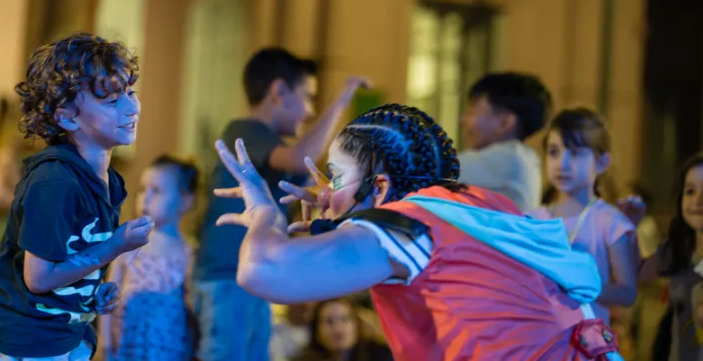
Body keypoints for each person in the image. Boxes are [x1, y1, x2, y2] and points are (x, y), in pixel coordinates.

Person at [213, 103, 623, 360]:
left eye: (335, 179)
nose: (325, 192)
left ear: (380, 188)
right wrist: (339, 208)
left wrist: (265, 214)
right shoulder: (479, 205)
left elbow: (263, 269)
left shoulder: (406, 225)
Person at [0, 33, 154, 361]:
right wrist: (115, 245)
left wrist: (91, 294)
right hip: (23, 342)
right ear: (67, 116)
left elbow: (73, 258)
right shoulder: (55, 180)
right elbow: (39, 277)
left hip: (61, 338)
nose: (130, 108)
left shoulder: (105, 181)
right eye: (111, 100)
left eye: (129, 92)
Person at [193, 47, 369, 361]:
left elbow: (306, 178)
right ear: (278, 91)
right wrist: (342, 99)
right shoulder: (245, 131)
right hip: (227, 278)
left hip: (255, 277)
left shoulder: (275, 153)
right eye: (308, 96)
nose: (309, 110)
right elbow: (301, 159)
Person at [527, 108, 639, 325]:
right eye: (553, 152)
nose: (562, 163)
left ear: (602, 162)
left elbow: (627, 293)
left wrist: (580, 287)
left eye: (576, 153)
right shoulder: (532, 220)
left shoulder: (610, 222)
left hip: (586, 346)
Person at [97, 155, 199, 361]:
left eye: (157, 191)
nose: (146, 197)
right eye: (143, 189)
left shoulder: (189, 253)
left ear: (185, 201)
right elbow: (108, 297)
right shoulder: (127, 244)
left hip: (169, 352)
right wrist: (105, 345)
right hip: (127, 349)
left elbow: (192, 308)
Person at [629, 153, 703, 361]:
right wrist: (630, 229)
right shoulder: (677, 248)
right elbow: (639, 272)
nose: (697, 200)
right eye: (690, 191)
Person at [458, 72, 552, 212]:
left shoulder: (511, 158)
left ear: (505, 123)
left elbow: (432, 168)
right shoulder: (522, 157)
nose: (463, 120)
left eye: (472, 111)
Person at [291, 298, 392, 361]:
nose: (338, 328)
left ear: (357, 324)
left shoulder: (381, 355)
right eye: (329, 321)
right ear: (316, 330)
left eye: (344, 319)